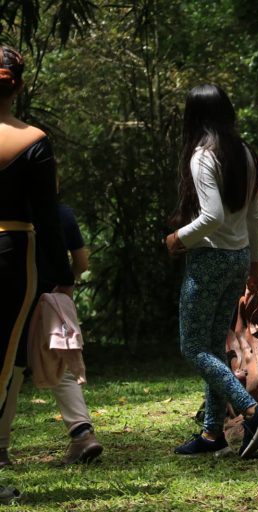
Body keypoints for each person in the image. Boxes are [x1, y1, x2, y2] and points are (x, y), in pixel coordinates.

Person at [166, 84, 258, 458]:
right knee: (214, 345)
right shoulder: (245, 153)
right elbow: (255, 216)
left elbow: (211, 216)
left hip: (209, 260)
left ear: (194, 117)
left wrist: (178, 238)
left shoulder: (203, 155)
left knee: (193, 347)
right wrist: (255, 264)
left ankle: (251, 410)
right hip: (238, 259)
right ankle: (212, 433)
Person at [0, 46, 73, 497]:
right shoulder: (33, 141)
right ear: (20, 86)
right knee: (2, 361)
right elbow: (48, 217)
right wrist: (63, 273)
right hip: (12, 253)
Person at [0, 197, 103, 466]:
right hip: (50, 299)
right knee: (61, 364)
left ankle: (1, 448)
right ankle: (83, 434)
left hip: (15, 296)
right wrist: (64, 282)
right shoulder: (62, 213)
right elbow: (82, 263)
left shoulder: (11, 211)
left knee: (11, 370)